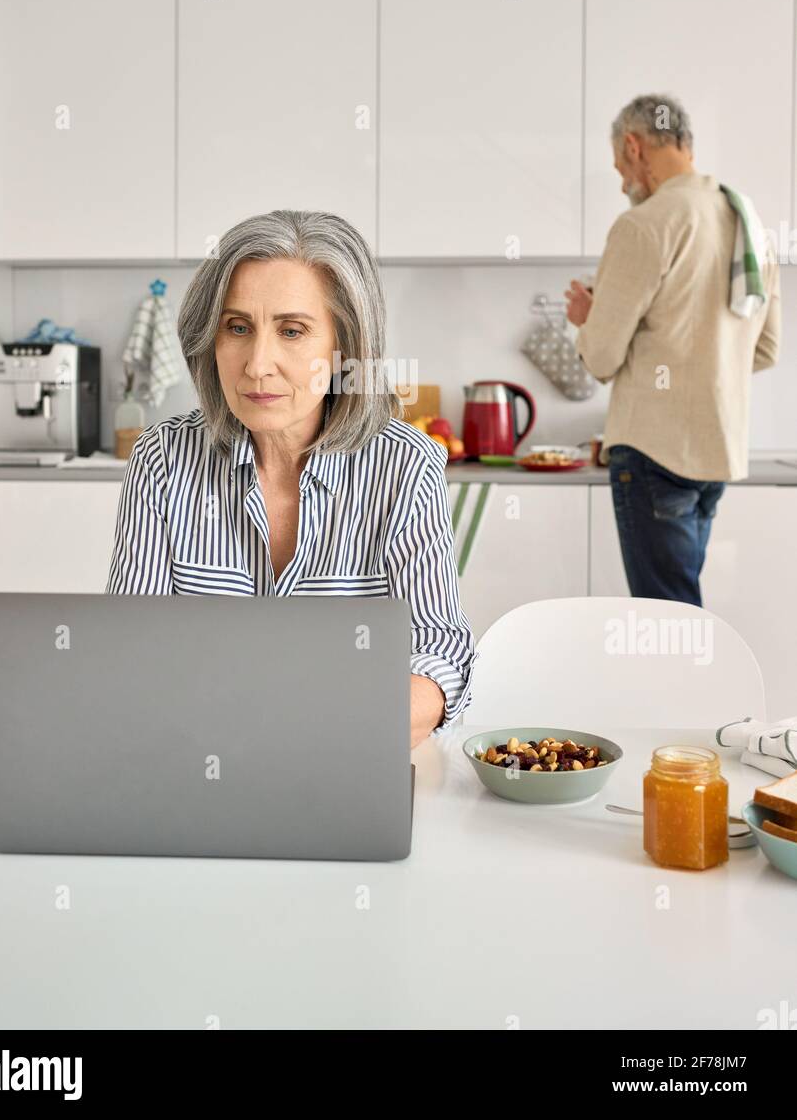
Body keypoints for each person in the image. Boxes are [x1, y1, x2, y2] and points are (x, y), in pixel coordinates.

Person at [107, 208, 477, 747]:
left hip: (347, 756)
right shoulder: (162, 458)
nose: (258, 363)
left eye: (292, 331)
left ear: (342, 348)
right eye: (237, 328)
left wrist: (325, 734)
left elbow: (439, 651)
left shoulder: (405, 464)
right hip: (194, 753)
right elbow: (128, 645)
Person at [565, 93, 780, 606]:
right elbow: (766, 348)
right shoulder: (748, 221)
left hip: (654, 456)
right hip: (716, 453)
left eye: (620, 165)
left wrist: (586, 318)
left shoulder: (644, 224)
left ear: (635, 146)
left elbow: (601, 359)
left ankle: (691, 689)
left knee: (668, 622)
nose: (622, 182)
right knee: (682, 613)